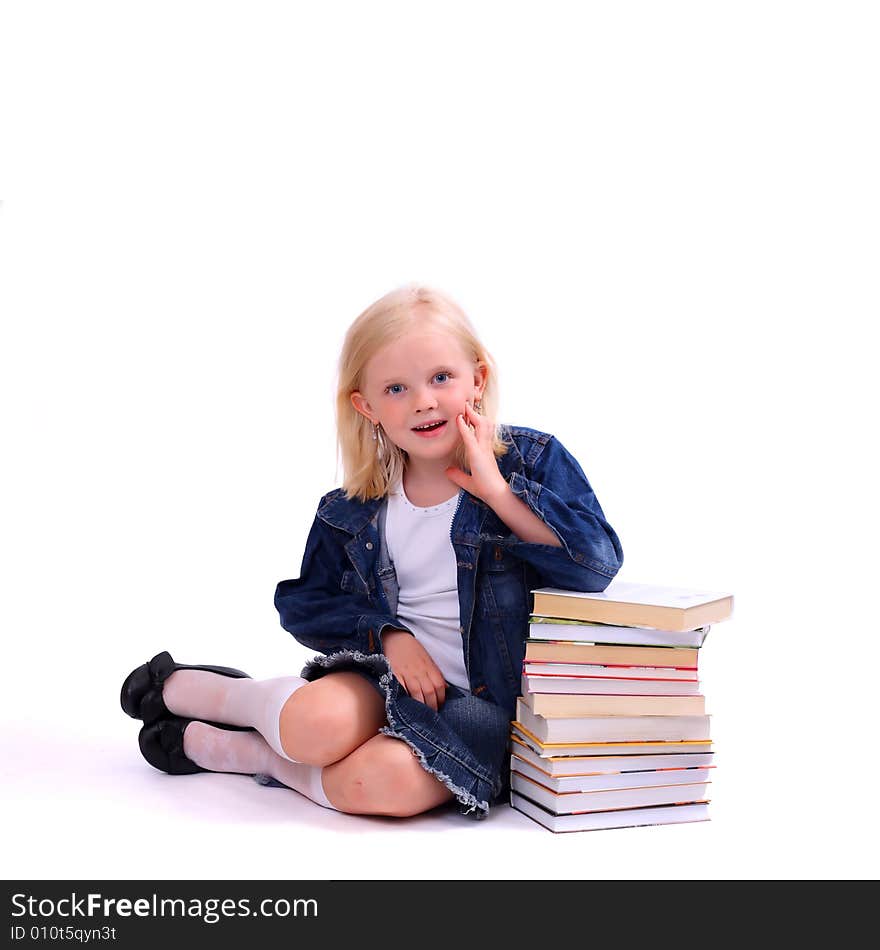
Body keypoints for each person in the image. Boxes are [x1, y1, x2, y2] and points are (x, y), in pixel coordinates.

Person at [120, 284, 623, 820]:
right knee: (314, 725)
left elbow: (596, 565)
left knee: (375, 784)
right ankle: (220, 696)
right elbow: (303, 603)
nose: (423, 401)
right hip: (381, 675)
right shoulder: (353, 506)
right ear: (367, 406)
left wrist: (498, 493)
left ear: (477, 378)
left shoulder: (531, 462)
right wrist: (390, 635)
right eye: (397, 388)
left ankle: (243, 752)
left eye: (441, 378)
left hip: (481, 709)